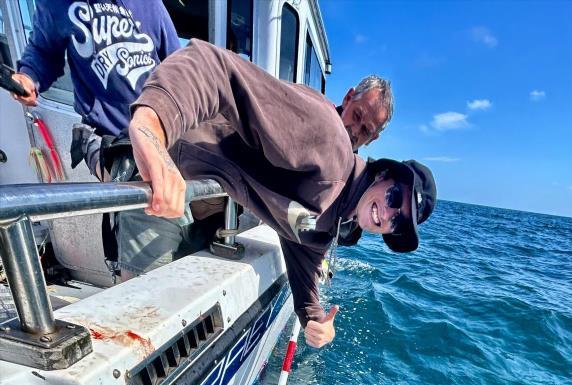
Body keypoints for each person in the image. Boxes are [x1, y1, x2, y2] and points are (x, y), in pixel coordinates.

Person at [124, 40, 436, 349]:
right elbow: (215, 66)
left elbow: (304, 266)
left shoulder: (332, 222)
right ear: (383, 175)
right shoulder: (327, 141)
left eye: (398, 222)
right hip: (158, 167)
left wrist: (315, 321)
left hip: (194, 193)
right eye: (395, 198)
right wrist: (153, 126)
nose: (389, 214)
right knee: (145, 326)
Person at [10, 0, 180, 176]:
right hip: (107, 141)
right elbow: (43, 52)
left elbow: (177, 65)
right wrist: (28, 76)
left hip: (160, 133)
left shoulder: (150, 4)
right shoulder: (56, 4)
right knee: (131, 199)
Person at [336, 76, 393, 151]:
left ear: (371, 139)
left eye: (365, 130)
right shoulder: (317, 118)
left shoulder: (354, 162)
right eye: (357, 116)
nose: (354, 131)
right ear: (348, 98)